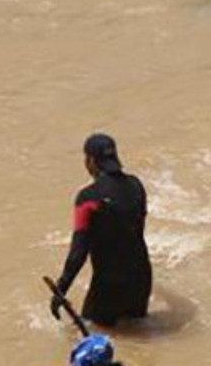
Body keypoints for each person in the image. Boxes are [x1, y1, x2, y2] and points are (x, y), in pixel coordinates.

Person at [50, 133, 153, 327]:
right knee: (139, 338)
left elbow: (78, 253)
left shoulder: (87, 198)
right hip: (141, 279)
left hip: (109, 286)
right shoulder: (136, 186)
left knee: (92, 338)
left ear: (91, 161)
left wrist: (60, 290)